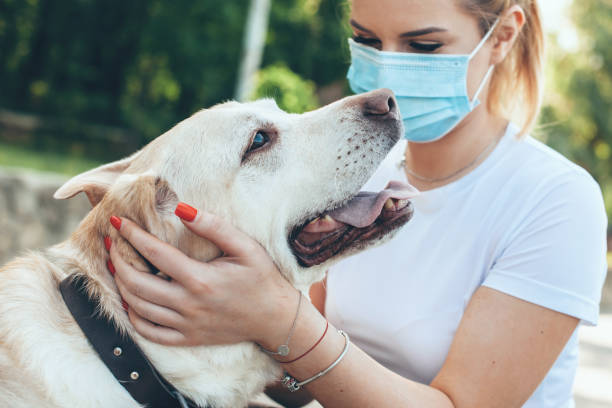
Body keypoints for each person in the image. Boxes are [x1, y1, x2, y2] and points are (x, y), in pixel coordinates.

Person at [106, 0, 609, 406]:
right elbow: (297, 386)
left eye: (424, 45)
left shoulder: (557, 200)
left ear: (501, 36)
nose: (388, 66)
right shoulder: (361, 186)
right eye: (368, 40)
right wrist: (208, 309)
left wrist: (277, 319)